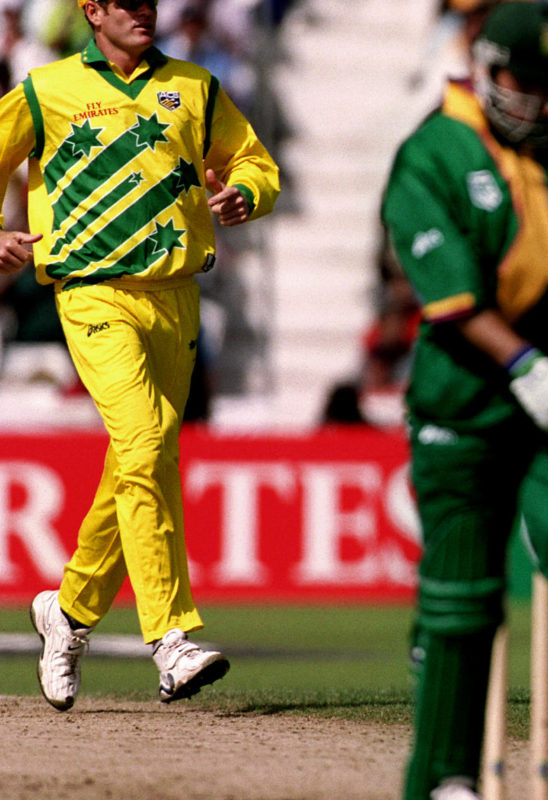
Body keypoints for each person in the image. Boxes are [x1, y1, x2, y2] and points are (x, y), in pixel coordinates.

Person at [381, 4, 548, 799]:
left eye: (547, 86)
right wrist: (529, 366)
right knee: (463, 592)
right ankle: (445, 778)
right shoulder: (432, 151)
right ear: (482, 63)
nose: (532, 99)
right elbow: (452, 301)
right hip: (468, 393)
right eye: (518, 80)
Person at [0, 0, 279, 711]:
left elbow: (253, 161)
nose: (144, 12)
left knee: (140, 458)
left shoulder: (194, 85)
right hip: (93, 293)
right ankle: (171, 639)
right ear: (91, 11)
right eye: (126, 3)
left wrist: (247, 191)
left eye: (151, 1)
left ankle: (67, 611)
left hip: (177, 294)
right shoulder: (46, 88)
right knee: (147, 440)